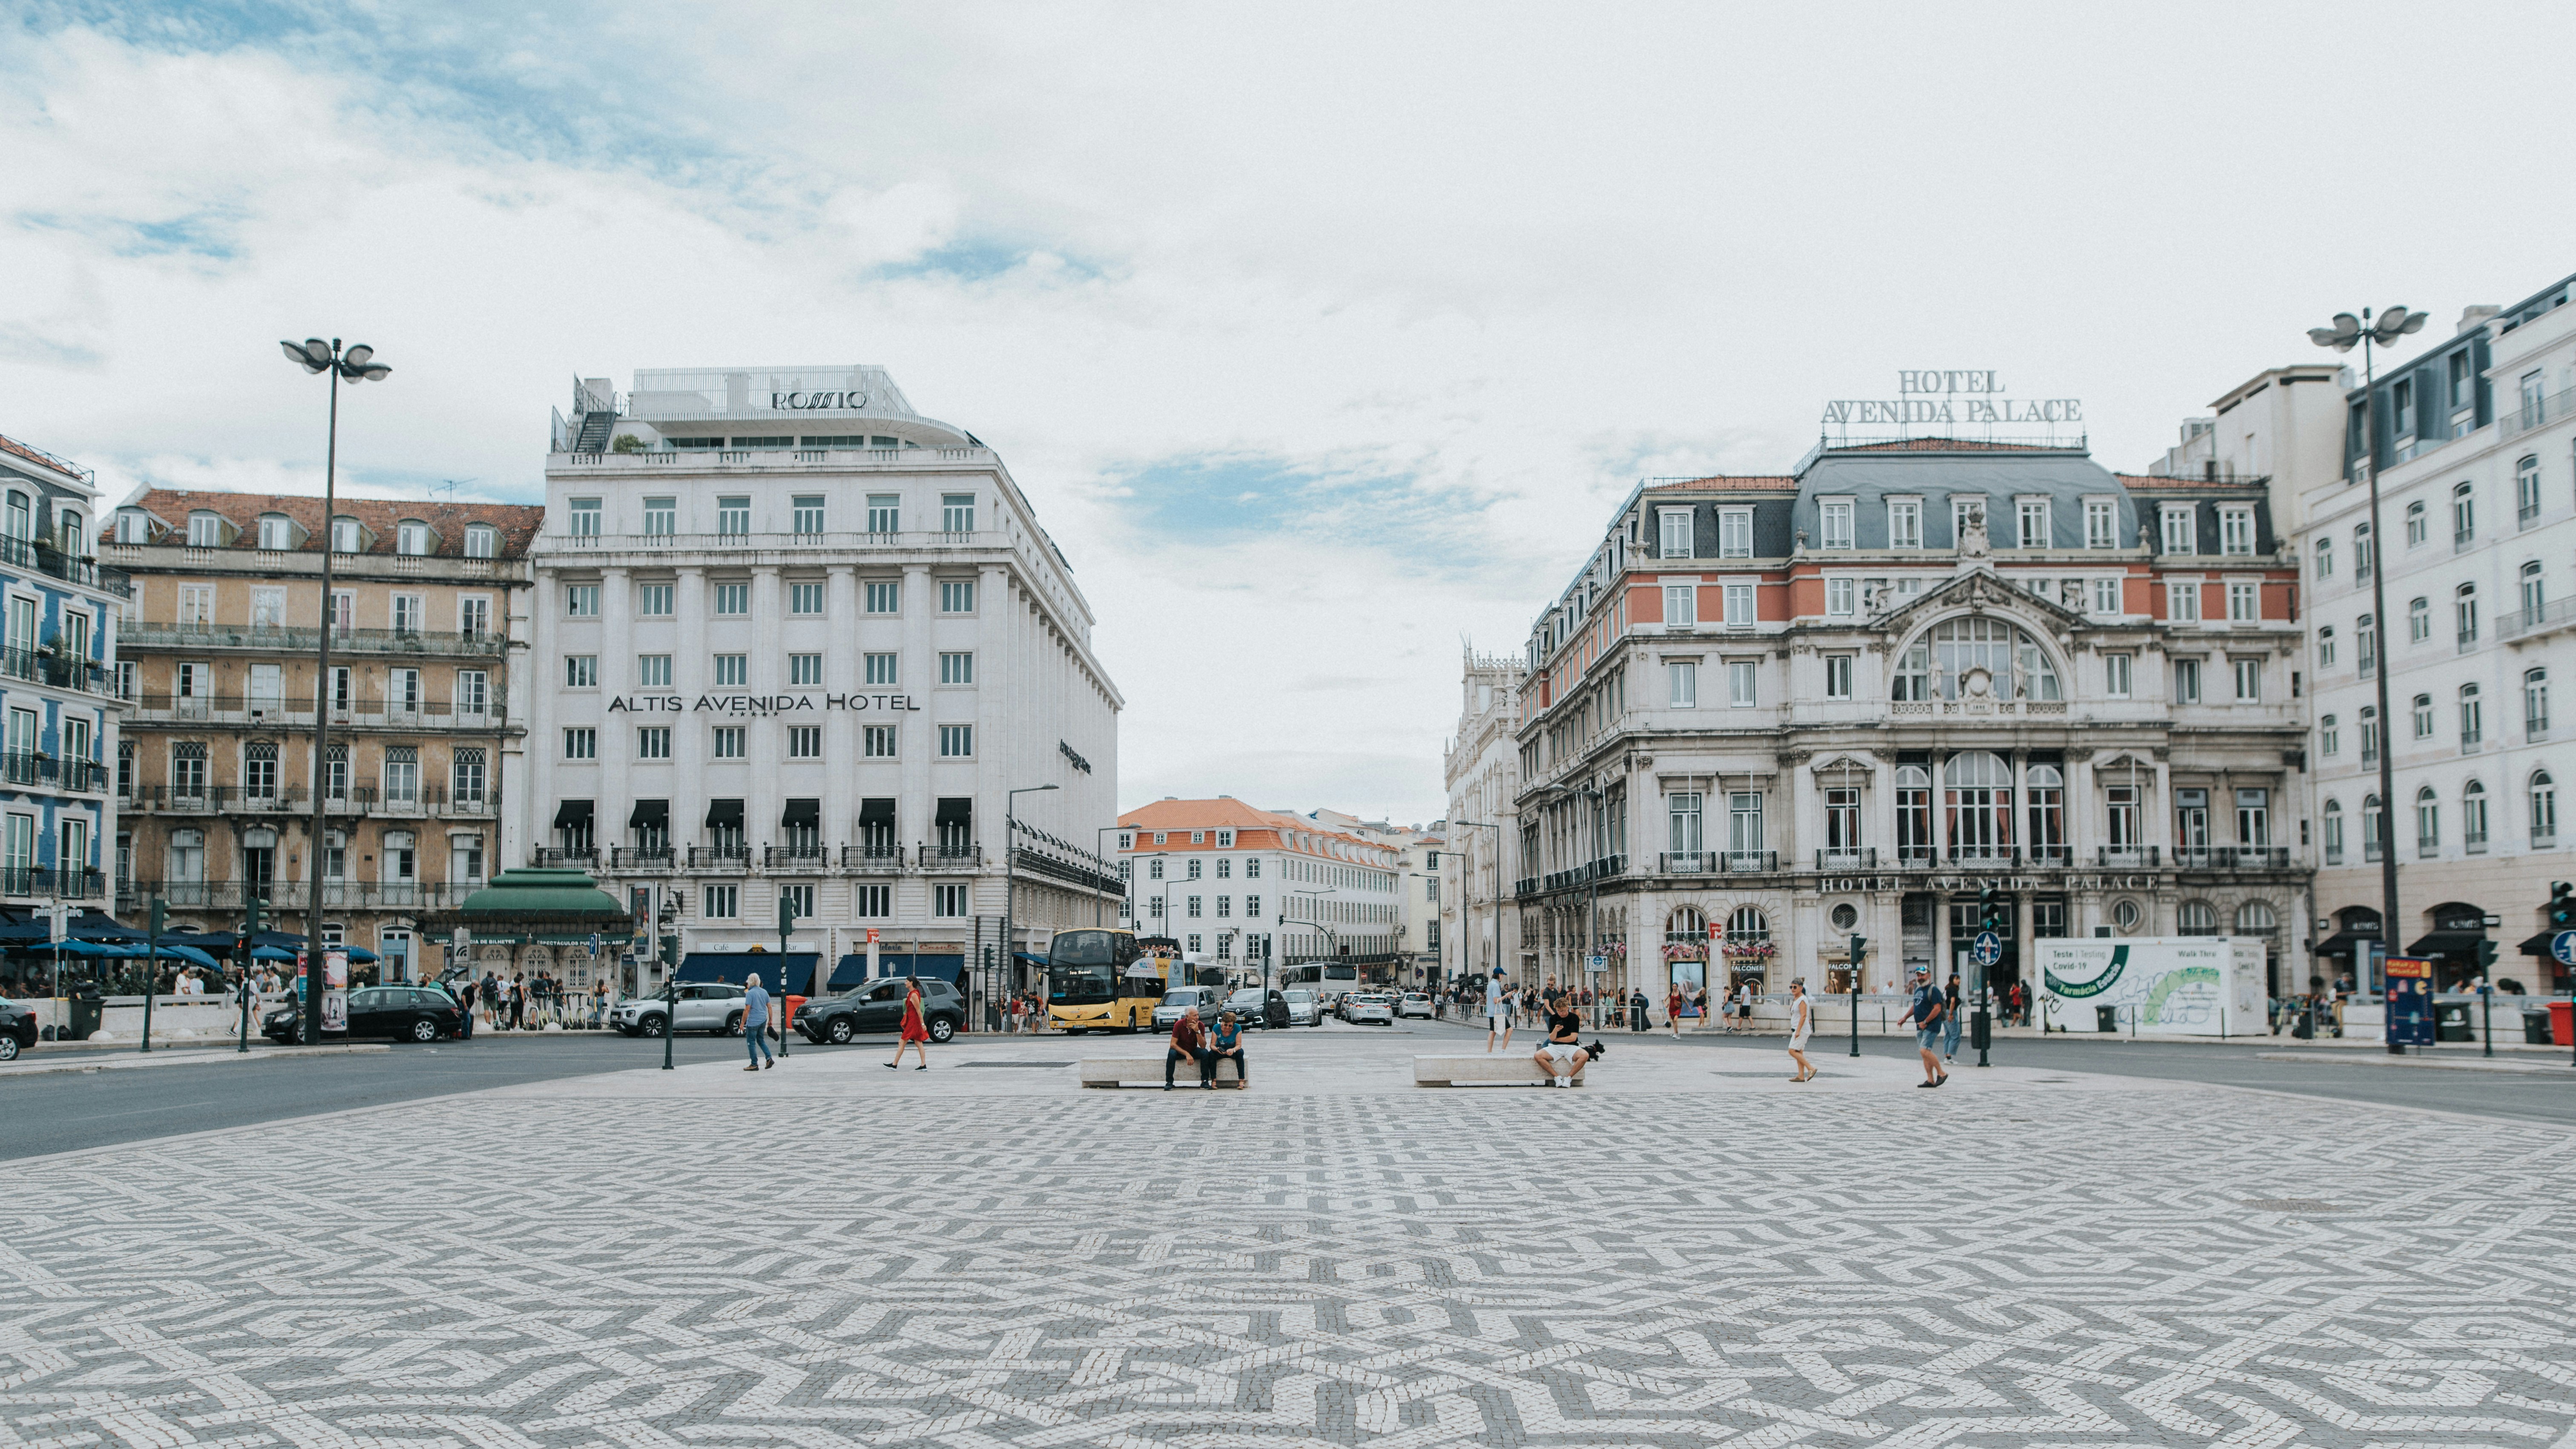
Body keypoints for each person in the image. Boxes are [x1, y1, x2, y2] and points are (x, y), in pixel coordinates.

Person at [1531, 1000, 1604, 1087]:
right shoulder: (1553, 1018)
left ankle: (1569, 1078)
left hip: (1571, 1046)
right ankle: (1556, 1077)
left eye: (1563, 1011)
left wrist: (1557, 1039)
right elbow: (1551, 1038)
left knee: (1585, 1055)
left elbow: (1573, 1038)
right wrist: (1555, 1031)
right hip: (1555, 1047)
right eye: (1559, 1011)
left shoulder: (1574, 1018)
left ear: (1567, 1008)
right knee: (1538, 1056)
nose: (1561, 1013)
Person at [1896, 965, 1947, 1088]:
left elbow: (1937, 1009)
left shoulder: (1933, 990)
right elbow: (1915, 1006)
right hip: (1920, 1026)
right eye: (1918, 975)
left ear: (1929, 975)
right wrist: (1905, 1018)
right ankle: (1930, 1079)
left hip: (1931, 1026)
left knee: (1924, 1050)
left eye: (1922, 975)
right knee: (1924, 1053)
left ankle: (1942, 1073)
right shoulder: (1918, 990)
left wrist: (1926, 1022)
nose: (1920, 978)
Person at [887, 976, 931, 1070]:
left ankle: (894, 1065)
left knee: (902, 1042)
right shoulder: (912, 994)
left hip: (914, 1022)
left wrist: (923, 1024)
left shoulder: (914, 995)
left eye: (906, 981)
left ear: (911, 983)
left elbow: (919, 1011)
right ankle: (923, 1065)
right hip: (913, 1021)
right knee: (918, 1042)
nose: (905, 983)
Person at [1165, 1006, 1212, 1090]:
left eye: (1198, 1015)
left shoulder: (1200, 1025)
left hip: (1193, 1050)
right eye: (1194, 1016)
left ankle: (1204, 1081)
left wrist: (1198, 1031)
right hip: (1180, 1051)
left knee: (1205, 1053)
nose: (1197, 1017)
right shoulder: (1179, 1025)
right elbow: (1173, 1045)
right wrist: (1187, 1054)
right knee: (1171, 1053)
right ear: (1187, 1017)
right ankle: (1169, 1082)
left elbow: (1203, 1046)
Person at [742, 973, 774, 1071]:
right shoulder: (764, 992)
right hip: (763, 1020)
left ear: (750, 982)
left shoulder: (750, 993)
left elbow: (747, 1009)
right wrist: (771, 1020)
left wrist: (742, 1023)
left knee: (751, 1042)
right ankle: (769, 1058)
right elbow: (769, 1006)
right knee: (761, 1040)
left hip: (753, 1022)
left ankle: (754, 1064)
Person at [1208, 1010, 1248, 1088]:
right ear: (1222, 1022)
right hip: (1220, 1050)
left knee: (1240, 1052)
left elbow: (1239, 1045)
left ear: (1234, 1025)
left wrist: (1233, 1050)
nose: (1227, 1028)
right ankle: (1214, 1080)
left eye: (1230, 1026)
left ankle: (1241, 1080)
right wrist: (1217, 1049)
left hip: (1232, 1050)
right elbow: (1212, 1045)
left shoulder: (1237, 1028)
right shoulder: (1216, 1028)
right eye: (1225, 1025)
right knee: (1211, 1054)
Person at [1785, 978, 1815, 1082]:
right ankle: (1801, 1076)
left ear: (1801, 988)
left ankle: (1811, 1068)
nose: (1793, 989)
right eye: (1791, 987)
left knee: (1792, 1051)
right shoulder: (1797, 999)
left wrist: (1798, 1031)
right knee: (1799, 1052)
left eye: (1795, 987)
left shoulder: (1802, 1000)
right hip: (1798, 1028)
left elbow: (1803, 1016)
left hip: (1801, 1030)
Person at [1483, 968, 1513, 1052]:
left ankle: (1489, 1052)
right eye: (1503, 975)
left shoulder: (1490, 984)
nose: (1503, 977)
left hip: (1491, 1012)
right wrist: (1507, 996)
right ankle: (1502, 1050)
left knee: (1493, 1031)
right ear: (1499, 975)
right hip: (1497, 1013)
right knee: (1510, 1030)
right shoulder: (1496, 985)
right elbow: (1496, 1001)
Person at [1941, 971, 1965, 1064]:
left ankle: (1947, 1056)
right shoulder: (1953, 990)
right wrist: (1951, 1014)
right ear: (1952, 980)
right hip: (1950, 1013)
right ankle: (1949, 1057)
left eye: (1959, 979)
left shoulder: (1947, 989)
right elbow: (1953, 1002)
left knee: (1948, 1035)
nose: (1959, 981)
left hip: (1944, 1012)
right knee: (1955, 1035)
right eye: (1957, 979)